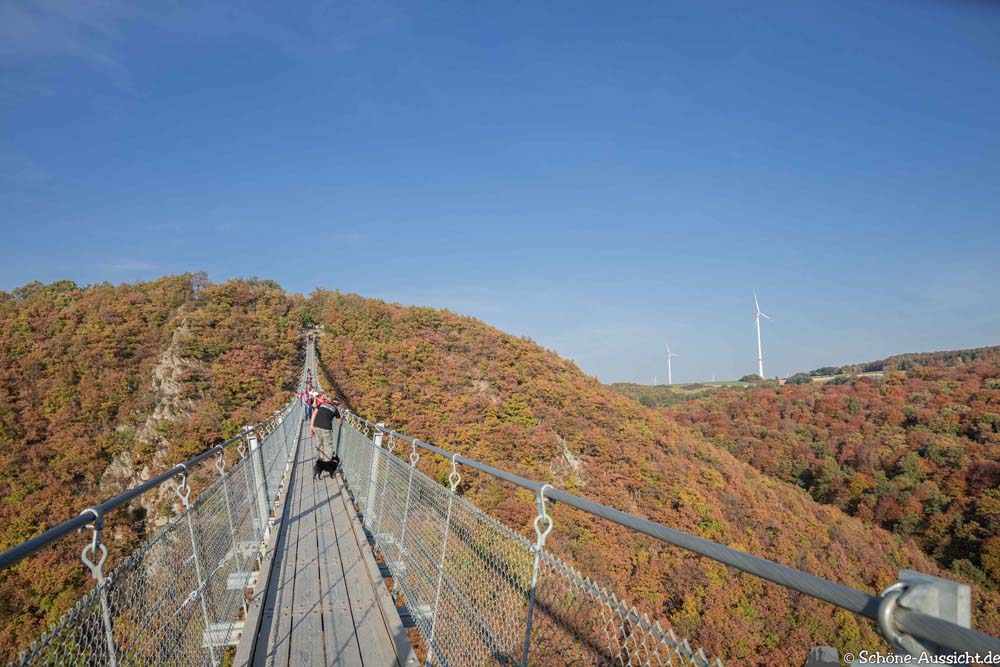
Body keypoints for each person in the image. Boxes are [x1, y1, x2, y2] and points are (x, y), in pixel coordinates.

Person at [310, 394, 341, 460]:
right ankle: (327, 462)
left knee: (319, 444)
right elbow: (339, 421)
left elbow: (314, 414)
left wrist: (311, 426)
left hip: (316, 426)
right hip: (326, 428)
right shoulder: (335, 409)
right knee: (328, 446)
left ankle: (320, 459)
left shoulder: (321, 404)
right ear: (334, 402)